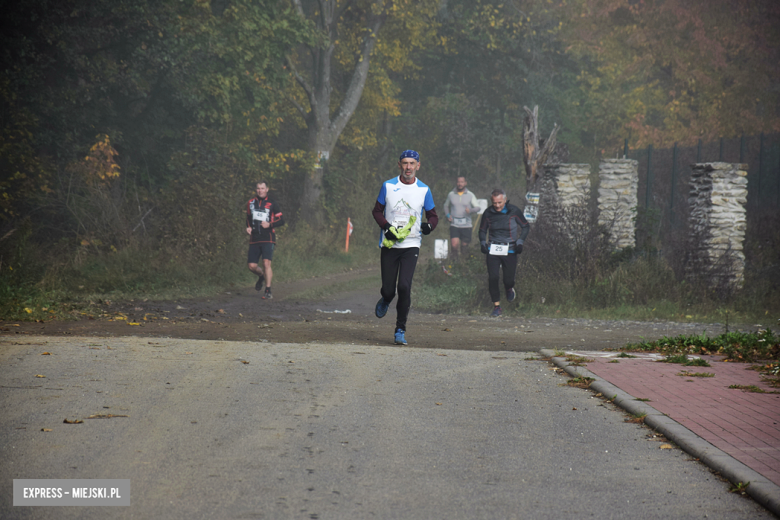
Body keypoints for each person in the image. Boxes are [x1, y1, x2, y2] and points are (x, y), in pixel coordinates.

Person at [372, 150, 438, 345]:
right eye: (405, 163)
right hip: (390, 244)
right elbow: (377, 211)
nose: (408, 167)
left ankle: (400, 329)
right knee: (389, 289)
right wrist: (386, 227)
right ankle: (385, 298)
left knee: (404, 286)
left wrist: (429, 226)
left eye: (412, 163)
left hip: (411, 244)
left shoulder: (424, 190)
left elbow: (433, 215)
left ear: (418, 165)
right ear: (399, 165)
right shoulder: (388, 186)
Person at [478, 189, 530, 317]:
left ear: (505, 200)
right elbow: (482, 230)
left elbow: (525, 226)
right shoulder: (488, 213)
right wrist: (482, 243)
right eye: (494, 203)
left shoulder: (514, 211)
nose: (497, 205)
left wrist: (520, 242)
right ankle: (497, 306)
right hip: (493, 250)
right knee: (493, 278)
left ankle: (509, 288)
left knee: (508, 279)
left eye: (500, 202)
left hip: (510, 249)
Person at [246, 181, 285, 300]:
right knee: (251, 266)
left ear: (267, 189)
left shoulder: (272, 202)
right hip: (254, 238)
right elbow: (248, 218)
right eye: (258, 188)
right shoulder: (251, 203)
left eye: (262, 188)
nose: (260, 190)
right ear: (256, 190)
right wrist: (248, 227)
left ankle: (268, 290)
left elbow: (282, 220)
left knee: (266, 263)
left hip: (268, 238)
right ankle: (261, 276)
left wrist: (270, 224)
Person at [443, 176, 481, 260]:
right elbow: (446, 206)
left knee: (464, 247)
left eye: (462, 182)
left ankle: (464, 265)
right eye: (458, 182)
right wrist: (448, 215)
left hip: (466, 225)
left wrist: (470, 210)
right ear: (456, 183)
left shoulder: (470, 195)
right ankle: (454, 264)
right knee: (454, 245)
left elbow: (478, 207)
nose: (460, 184)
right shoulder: (451, 194)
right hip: (454, 224)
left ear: (465, 183)